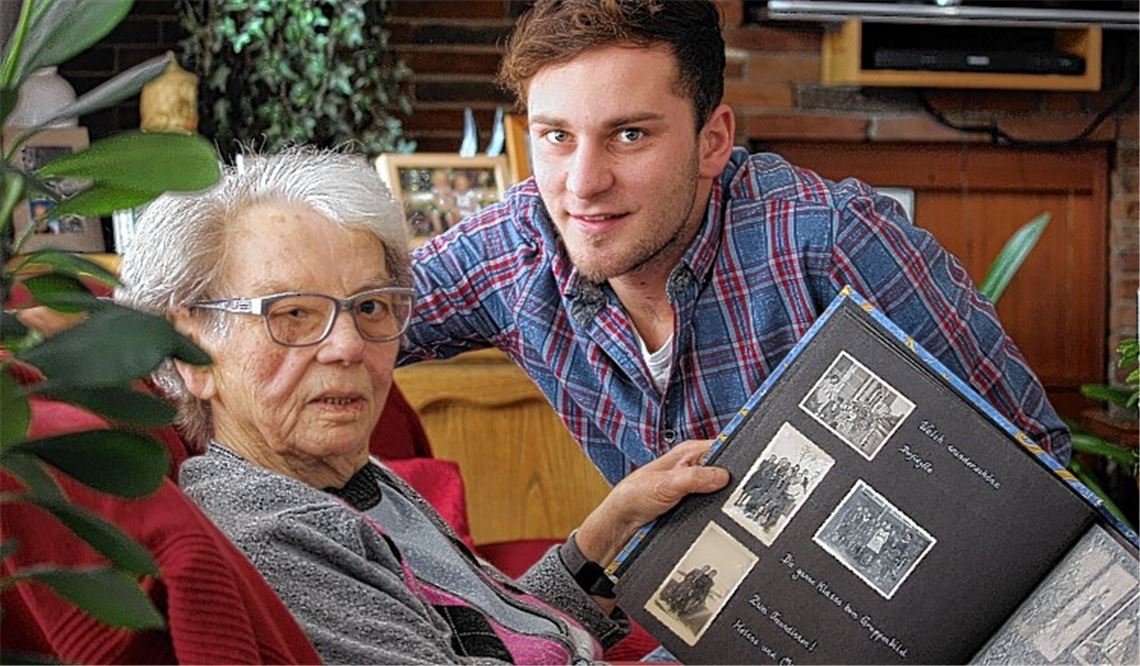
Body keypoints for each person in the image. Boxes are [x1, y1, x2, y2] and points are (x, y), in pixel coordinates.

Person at [402, 0, 1069, 487]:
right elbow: (334, 313)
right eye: (557, 136)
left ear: (712, 141)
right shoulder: (517, 245)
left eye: (630, 135)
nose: (583, 184)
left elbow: (1037, 467)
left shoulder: (832, 240)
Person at [116, 148, 729, 664]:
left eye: (371, 307)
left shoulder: (348, 477)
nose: (349, 346)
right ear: (191, 350)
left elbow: (497, 631)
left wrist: (614, 521)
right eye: (294, 314)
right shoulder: (274, 539)